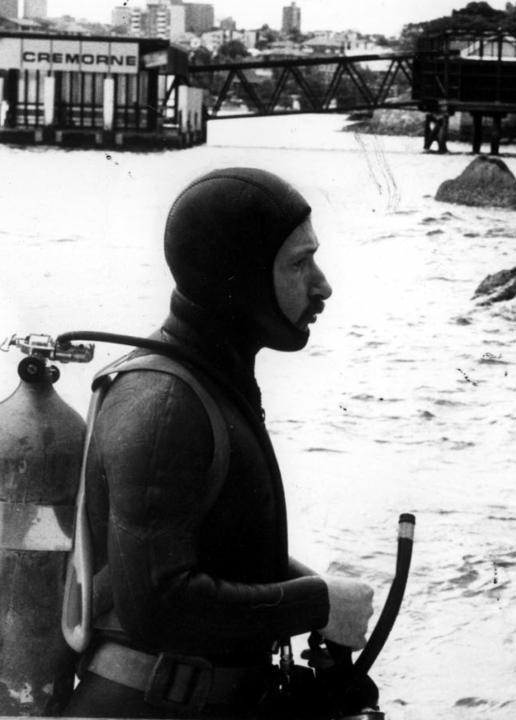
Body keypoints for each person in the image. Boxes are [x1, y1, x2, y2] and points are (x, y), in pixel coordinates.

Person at [63, 168, 376, 718]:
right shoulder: (164, 404)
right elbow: (159, 606)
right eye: (299, 264)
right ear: (243, 276)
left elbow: (216, 545)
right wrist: (316, 602)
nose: (322, 284)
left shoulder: (209, 379)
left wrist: (311, 588)